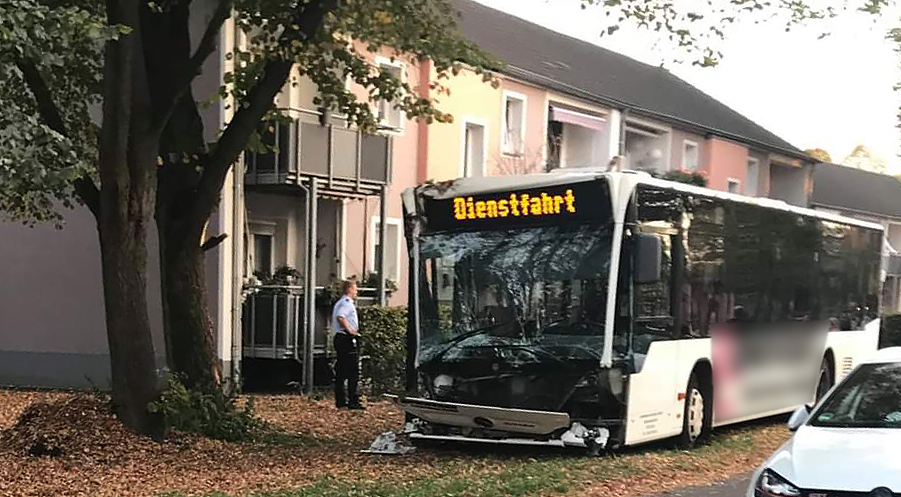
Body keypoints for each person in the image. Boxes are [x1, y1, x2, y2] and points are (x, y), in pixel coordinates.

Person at [331, 279, 364, 410]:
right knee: (352, 371)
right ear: (349, 289)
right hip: (346, 338)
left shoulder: (340, 302)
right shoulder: (347, 303)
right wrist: (350, 331)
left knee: (341, 370)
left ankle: (341, 401)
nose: (356, 291)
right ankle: (353, 400)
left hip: (340, 338)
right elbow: (341, 317)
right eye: (355, 288)